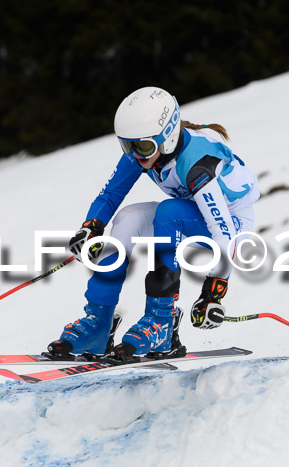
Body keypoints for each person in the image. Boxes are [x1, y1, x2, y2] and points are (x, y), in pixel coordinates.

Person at [44, 86, 260, 362]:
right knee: (127, 219)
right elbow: (111, 193)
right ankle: (98, 321)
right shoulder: (146, 149)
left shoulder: (196, 164)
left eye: (142, 147)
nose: (136, 156)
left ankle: (161, 323)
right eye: (127, 146)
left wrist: (213, 295)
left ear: (167, 137)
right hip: (192, 212)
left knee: (169, 213)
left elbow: (224, 237)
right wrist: (91, 226)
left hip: (233, 223)